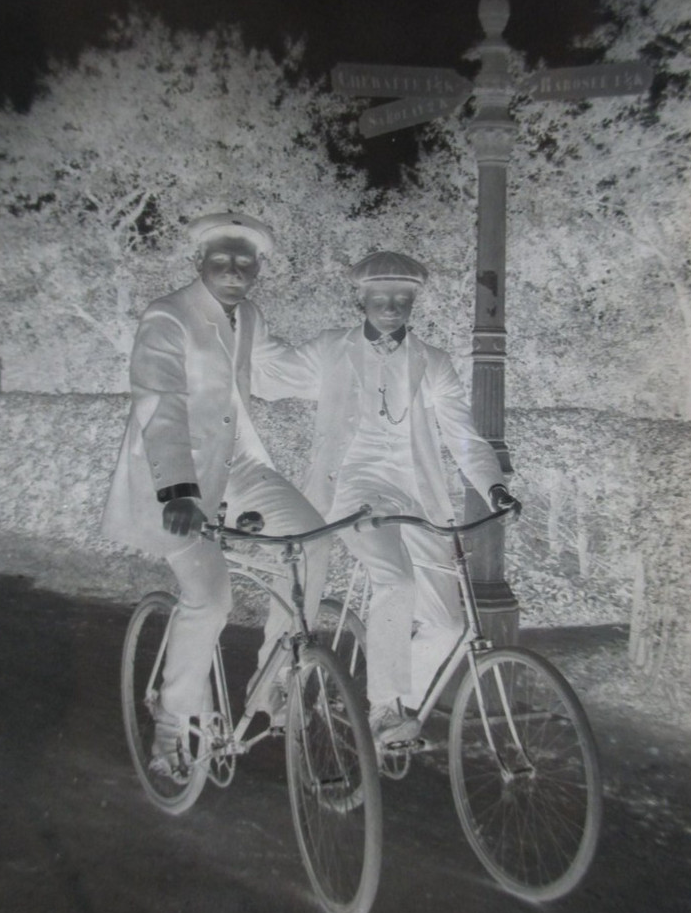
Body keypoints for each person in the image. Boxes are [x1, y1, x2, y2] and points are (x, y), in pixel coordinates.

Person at [253, 251, 518, 744]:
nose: (391, 307)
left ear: (414, 300)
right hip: (352, 491)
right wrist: (241, 320)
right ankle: (382, 709)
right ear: (362, 298)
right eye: (380, 297)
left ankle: (388, 705)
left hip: (415, 500)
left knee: (449, 626)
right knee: (395, 582)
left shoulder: (433, 363)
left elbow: (463, 438)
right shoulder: (334, 349)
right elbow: (271, 376)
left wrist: (495, 487)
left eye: (402, 298)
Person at [102, 212, 329, 780]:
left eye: (245, 262)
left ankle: (273, 686)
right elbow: (161, 404)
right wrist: (180, 491)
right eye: (221, 261)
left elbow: (284, 372)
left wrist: (354, 358)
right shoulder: (167, 316)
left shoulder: (247, 316)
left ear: (258, 269)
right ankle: (172, 727)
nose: (234, 272)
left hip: (238, 467)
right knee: (210, 598)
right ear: (199, 262)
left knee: (313, 540)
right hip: (174, 483)